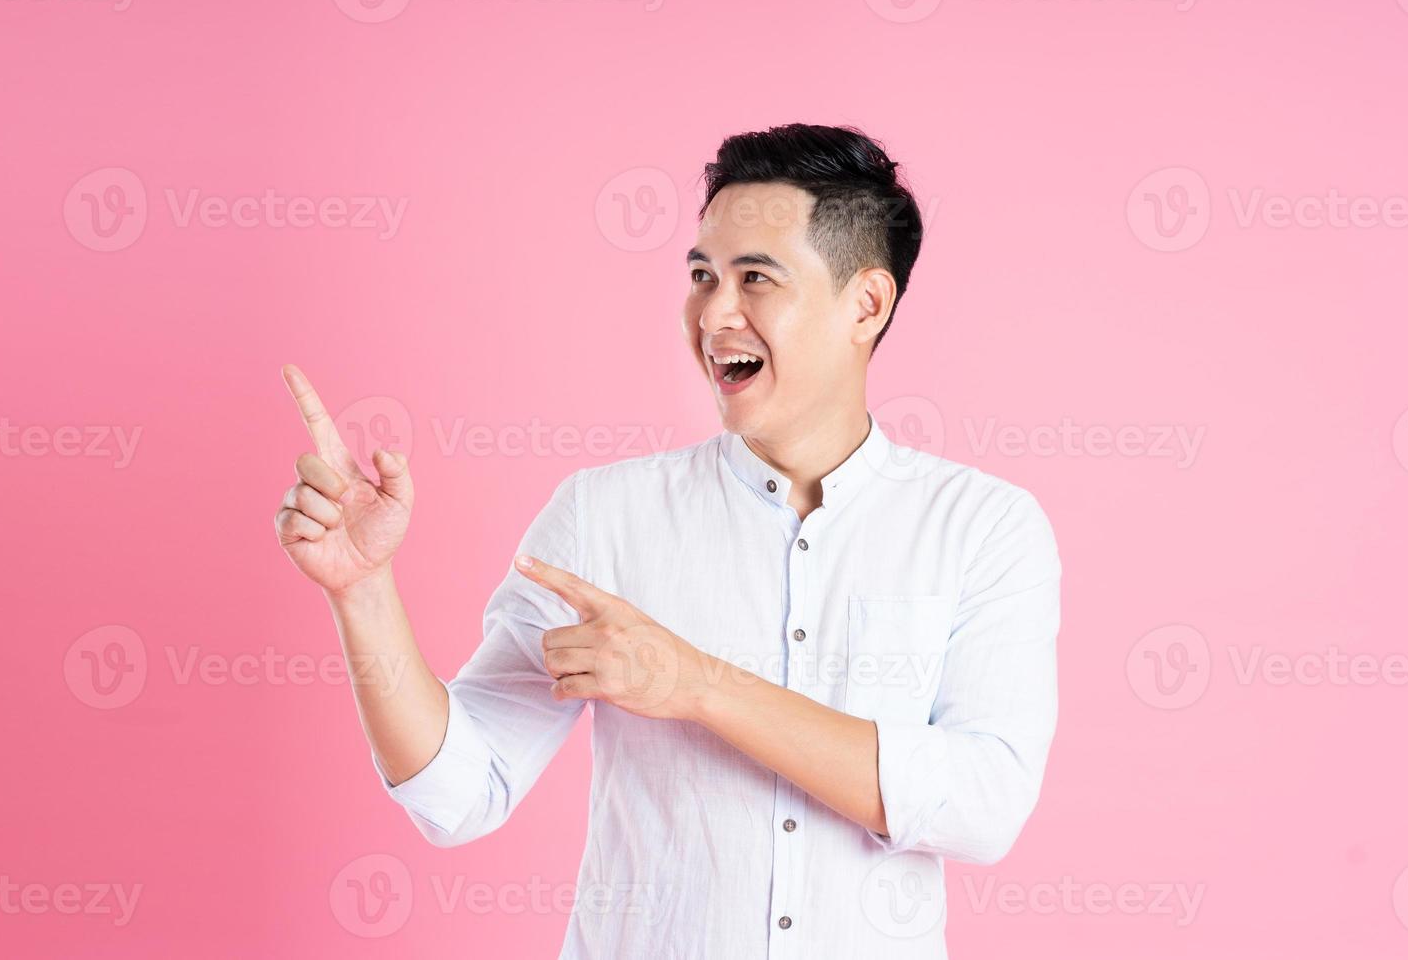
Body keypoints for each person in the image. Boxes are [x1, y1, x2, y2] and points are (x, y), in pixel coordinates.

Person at [273, 123, 1061, 959]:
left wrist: (696, 685)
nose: (713, 314)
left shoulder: (983, 527)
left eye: (756, 278)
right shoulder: (604, 516)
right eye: (701, 276)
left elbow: (983, 805)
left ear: (866, 303)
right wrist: (362, 593)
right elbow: (462, 793)